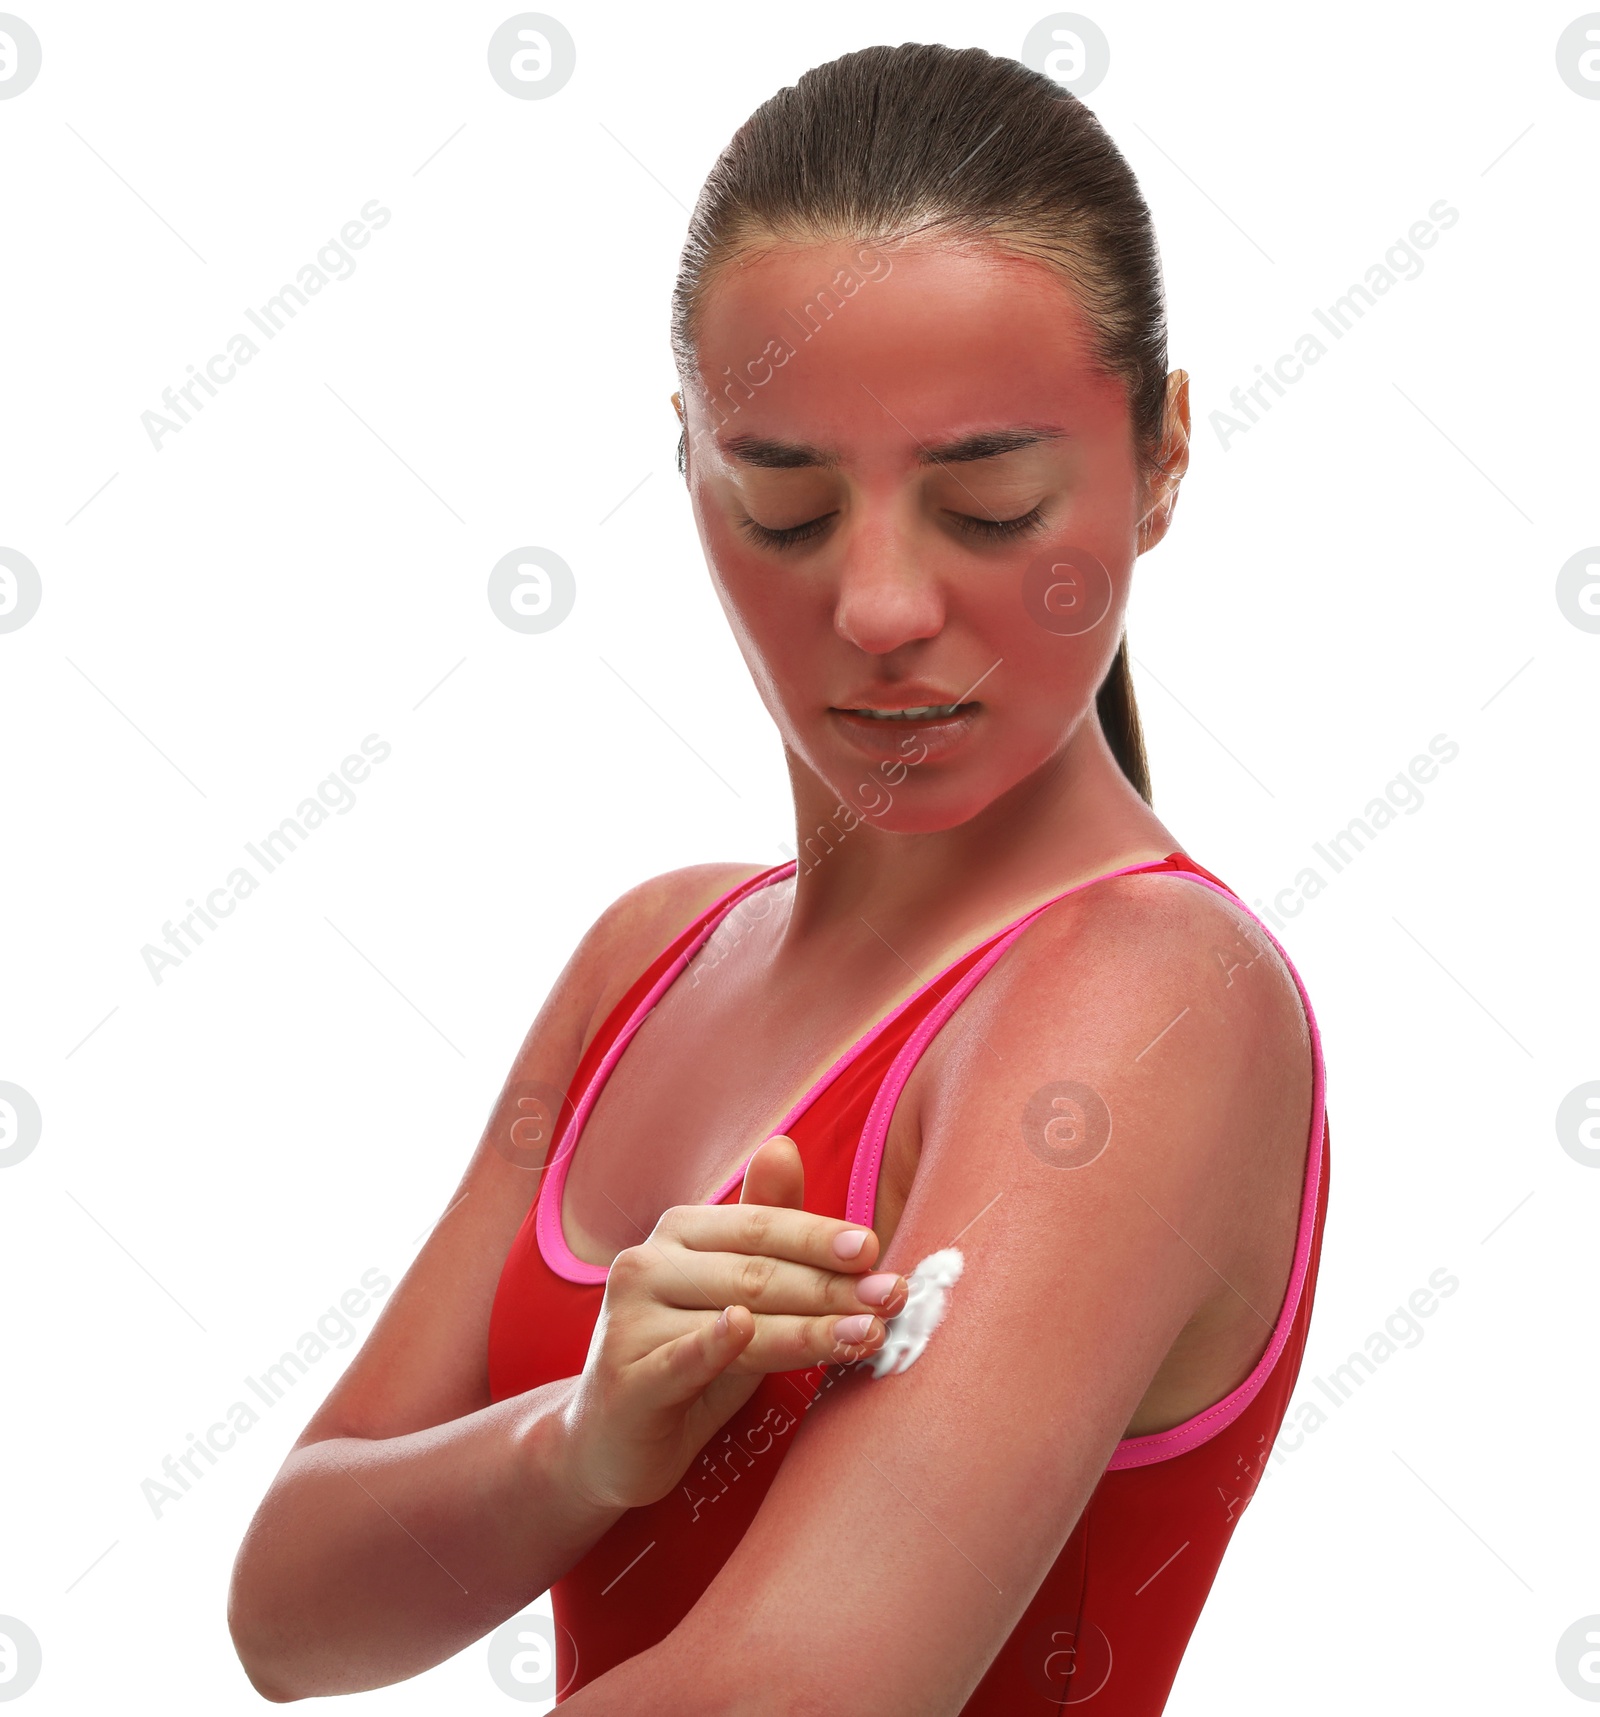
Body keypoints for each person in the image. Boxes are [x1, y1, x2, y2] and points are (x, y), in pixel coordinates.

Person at [228, 41, 1330, 1713]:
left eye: (987, 502)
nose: (880, 605)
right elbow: (292, 1614)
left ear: (1163, 455)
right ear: (687, 461)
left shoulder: (1155, 992)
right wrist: (585, 1443)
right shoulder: (651, 955)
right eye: (787, 506)